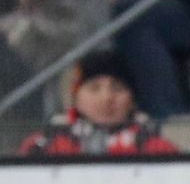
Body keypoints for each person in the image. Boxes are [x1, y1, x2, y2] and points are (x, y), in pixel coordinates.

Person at [19, 50, 178, 155]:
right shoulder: (43, 146)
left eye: (117, 88)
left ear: (132, 101)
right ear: (75, 98)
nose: (107, 98)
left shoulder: (157, 148)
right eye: (94, 88)